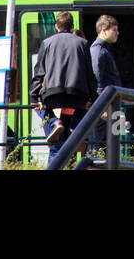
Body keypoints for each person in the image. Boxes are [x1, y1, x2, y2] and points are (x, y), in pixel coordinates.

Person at [30, 11, 96, 169]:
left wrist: (34, 97)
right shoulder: (83, 43)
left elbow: (39, 72)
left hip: (53, 95)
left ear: (56, 26)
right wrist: (92, 98)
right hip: (77, 96)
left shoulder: (47, 42)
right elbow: (89, 73)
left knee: (43, 109)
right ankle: (74, 128)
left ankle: (54, 122)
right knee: (79, 111)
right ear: (72, 26)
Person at [88, 15, 122, 154]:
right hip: (104, 107)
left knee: (109, 146)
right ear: (104, 30)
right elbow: (98, 80)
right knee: (100, 147)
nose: (117, 33)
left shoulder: (102, 50)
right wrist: (102, 107)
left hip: (108, 104)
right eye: (114, 30)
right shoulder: (98, 51)